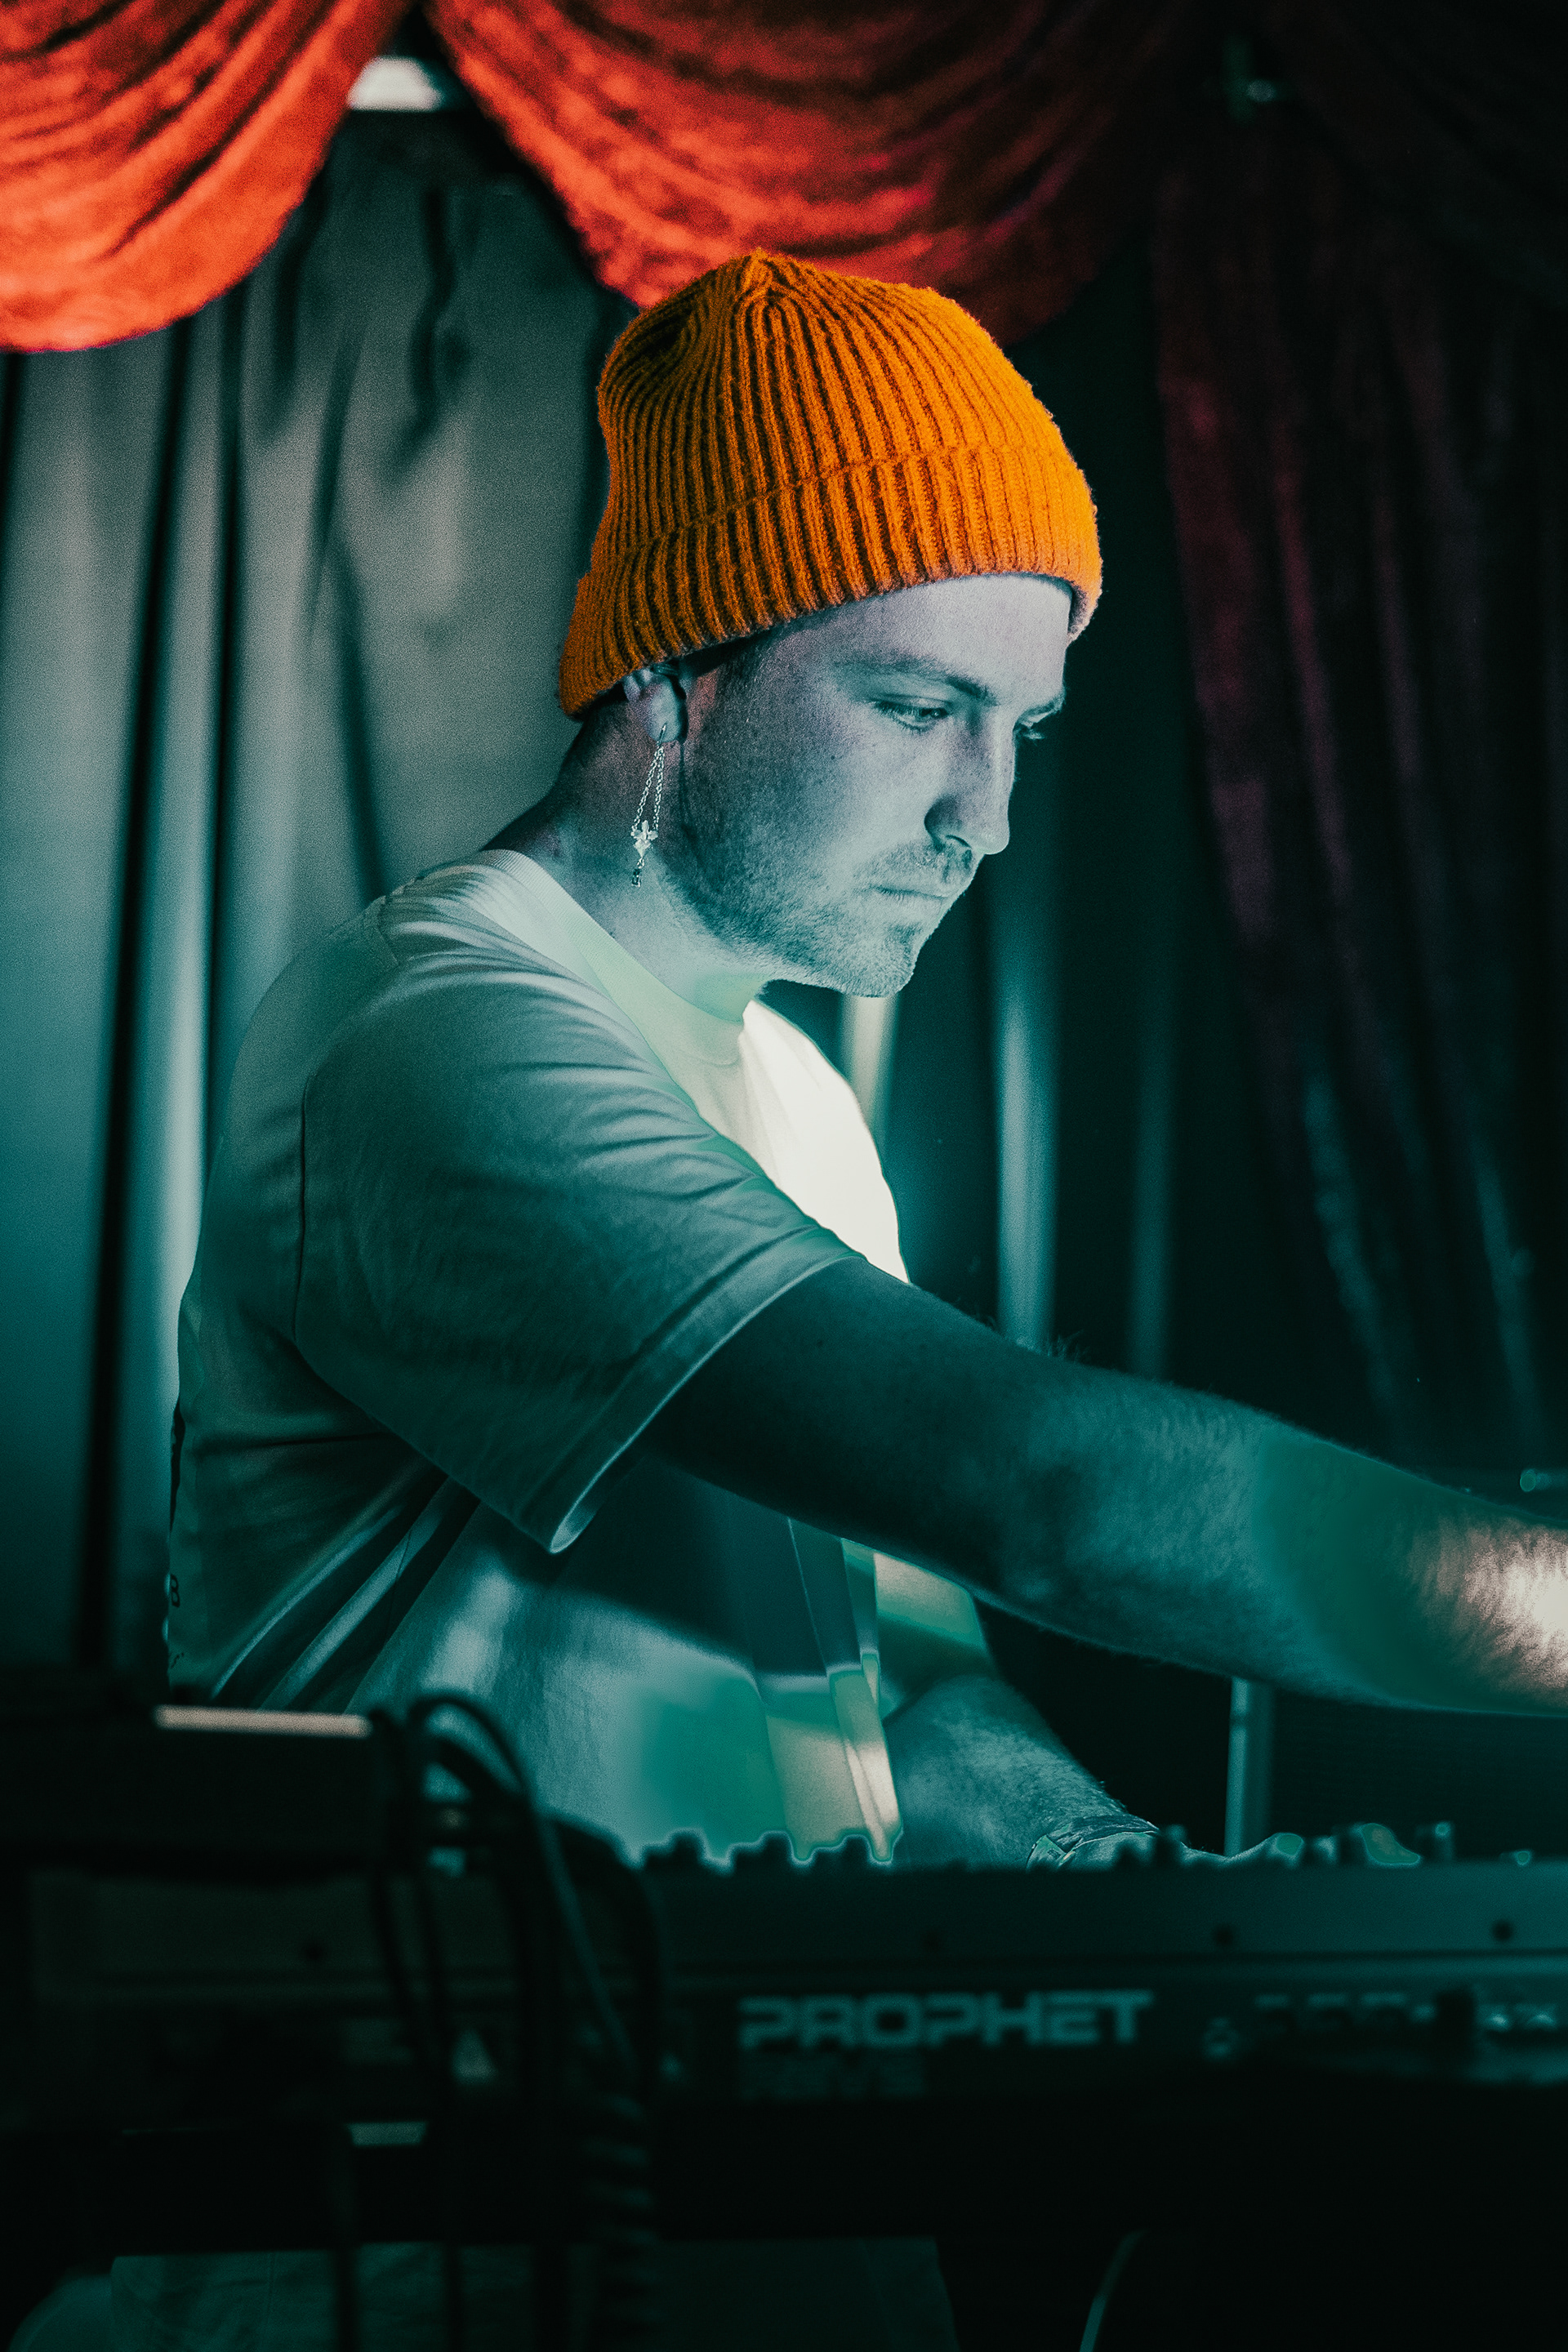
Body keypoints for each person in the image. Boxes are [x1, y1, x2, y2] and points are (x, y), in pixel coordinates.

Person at [114, 250, 1568, 2352]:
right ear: (670, 676)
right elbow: (1038, 1491)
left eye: (1025, 730)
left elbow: (898, 1684)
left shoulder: (793, 1095)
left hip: (775, 2254)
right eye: (915, 708)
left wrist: (1102, 1874)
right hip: (425, 2264)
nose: (989, 816)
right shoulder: (434, 1032)